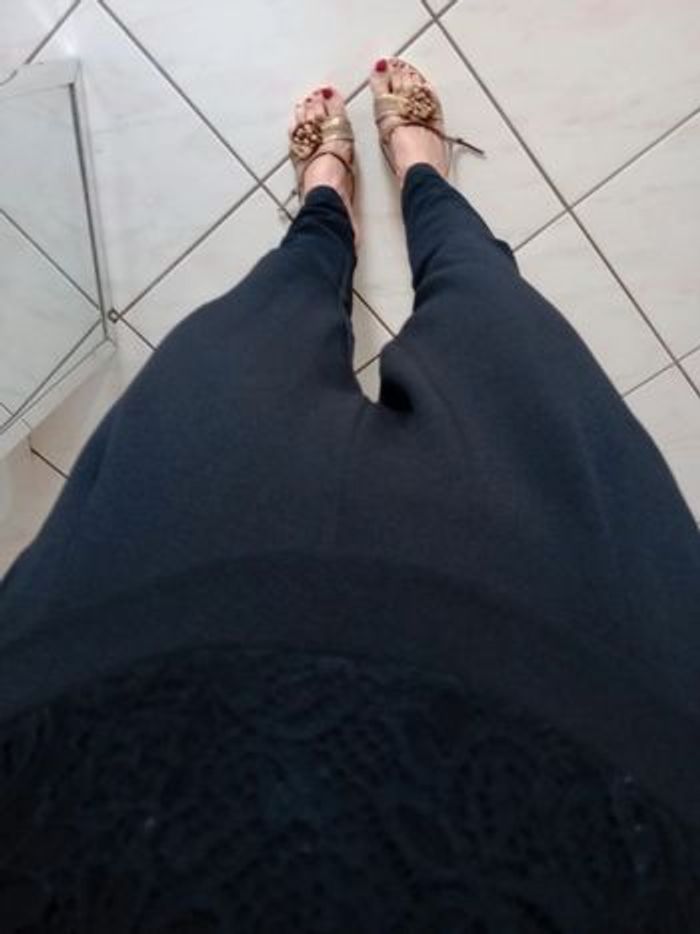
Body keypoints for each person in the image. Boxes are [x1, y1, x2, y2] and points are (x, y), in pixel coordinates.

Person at [0, 58, 699, 932]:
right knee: (491, 312)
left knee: (262, 317)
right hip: (600, 700)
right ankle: (422, 178)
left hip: (98, 669)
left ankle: (328, 206)